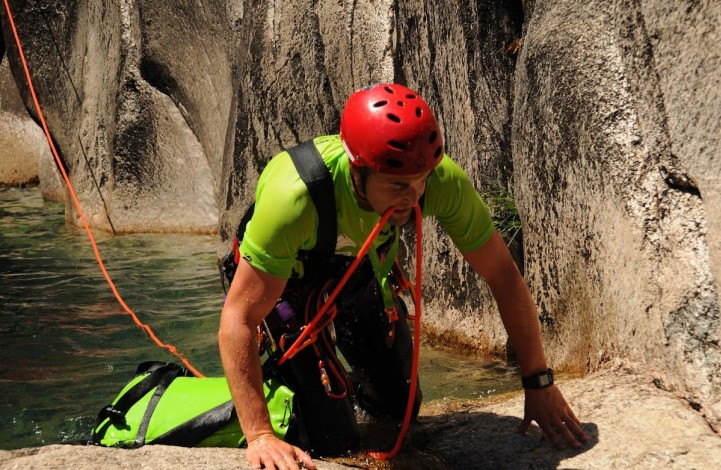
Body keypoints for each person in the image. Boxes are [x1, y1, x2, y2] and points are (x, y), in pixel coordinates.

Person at [219, 83, 589, 469]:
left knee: (401, 411)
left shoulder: (438, 180)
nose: (413, 196)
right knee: (333, 440)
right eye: (397, 186)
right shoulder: (295, 198)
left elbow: (503, 275)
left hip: (359, 273)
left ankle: (334, 389)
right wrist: (259, 435)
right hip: (282, 290)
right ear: (357, 170)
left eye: (421, 181)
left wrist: (538, 382)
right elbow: (239, 317)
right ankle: (295, 391)